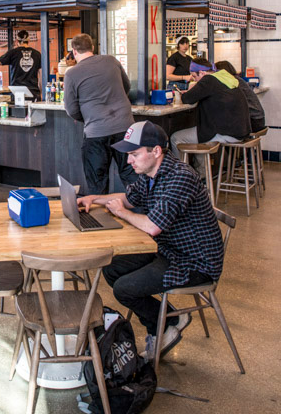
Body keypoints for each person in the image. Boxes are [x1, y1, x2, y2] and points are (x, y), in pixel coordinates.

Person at [78, 121, 224, 360]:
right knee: (112, 269)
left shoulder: (179, 178)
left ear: (156, 151)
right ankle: (169, 318)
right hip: (169, 250)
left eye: (134, 154)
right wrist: (94, 198)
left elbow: (152, 227)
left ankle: (166, 324)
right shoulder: (152, 173)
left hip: (194, 263)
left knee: (125, 289)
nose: (128, 161)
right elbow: (127, 198)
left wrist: (121, 213)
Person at [64, 33, 137, 193]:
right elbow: (126, 86)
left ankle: (100, 216)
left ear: (74, 51)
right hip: (125, 128)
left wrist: (89, 118)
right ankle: (140, 213)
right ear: (92, 47)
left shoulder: (71, 73)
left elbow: (71, 108)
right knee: (131, 174)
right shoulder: (111, 61)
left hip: (96, 133)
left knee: (97, 181)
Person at [171, 57, 251, 174]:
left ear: (202, 73)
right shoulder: (224, 76)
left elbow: (187, 98)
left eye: (194, 76)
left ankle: (182, 177)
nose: (194, 79)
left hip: (226, 132)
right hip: (240, 130)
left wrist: (191, 89)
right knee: (199, 136)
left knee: (176, 138)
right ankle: (202, 173)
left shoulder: (208, 80)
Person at [215, 60, 266, 133]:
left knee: (220, 127)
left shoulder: (232, 82)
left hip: (253, 122)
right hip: (258, 120)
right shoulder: (238, 80)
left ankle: (225, 143)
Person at [0, 30, 42, 100]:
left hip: (18, 93)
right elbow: (41, 76)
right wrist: (41, 93)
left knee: (18, 111)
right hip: (33, 93)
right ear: (28, 41)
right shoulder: (37, 54)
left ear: (17, 41)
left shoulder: (13, 53)